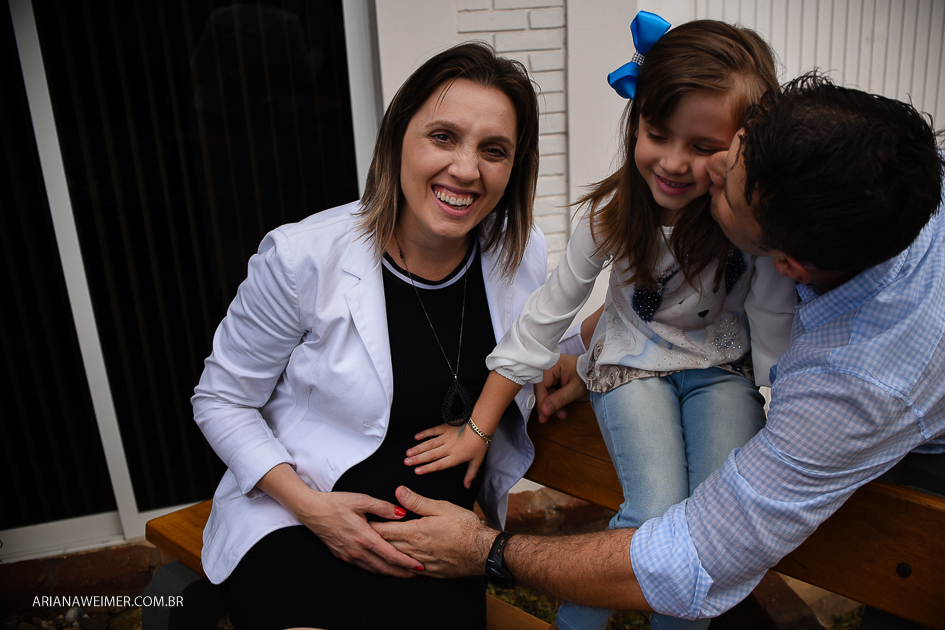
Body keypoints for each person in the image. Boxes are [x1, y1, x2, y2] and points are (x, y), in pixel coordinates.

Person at [374, 73, 945, 623]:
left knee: (913, 578)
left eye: (720, 174)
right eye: (732, 145)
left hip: (905, 437)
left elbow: (695, 562)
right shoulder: (858, 172)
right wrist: (587, 359)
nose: (700, 167)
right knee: (658, 505)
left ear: (783, 263)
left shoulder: (849, 385)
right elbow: (629, 303)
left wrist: (487, 550)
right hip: (653, 377)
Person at [402, 16, 796, 630]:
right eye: (657, 134)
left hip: (722, 369)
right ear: (636, 121)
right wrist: (479, 427)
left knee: (712, 532)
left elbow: (772, 316)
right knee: (653, 513)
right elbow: (545, 317)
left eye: (703, 147)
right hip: (631, 366)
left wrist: (789, 412)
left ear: (747, 145)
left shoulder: (751, 225)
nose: (673, 162)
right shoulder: (610, 217)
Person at [191, 42, 579, 630]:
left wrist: (582, 362)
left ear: (514, 167)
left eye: (493, 150)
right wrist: (314, 510)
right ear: (398, 137)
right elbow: (221, 400)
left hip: (440, 540)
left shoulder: (519, 254)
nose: (466, 169)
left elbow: (546, 344)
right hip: (300, 521)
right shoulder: (303, 257)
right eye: (443, 137)